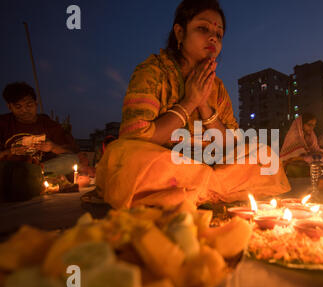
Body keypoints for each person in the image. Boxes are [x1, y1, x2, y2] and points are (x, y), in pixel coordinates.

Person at [95, 0, 290, 209]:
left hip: (208, 166)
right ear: (179, 33)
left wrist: (204, 105)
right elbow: (134, 136)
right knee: (125, 156)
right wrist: (189, 102)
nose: (213, 37)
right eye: (202, 28)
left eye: (219, 34)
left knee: (265, 155)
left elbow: (233, 145)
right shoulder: (153, 71)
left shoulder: (217, 87)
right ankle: (212, 191)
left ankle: (190, 192)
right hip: (167, 168)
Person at [0, 82, 79, 175]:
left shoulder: (49, 125)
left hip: (42, 169)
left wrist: (52, 147)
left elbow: (71, 152)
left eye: (29, 105)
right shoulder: (3, 123)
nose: (24, 110)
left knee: (73, 160)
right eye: (18, 107)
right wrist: (10, 151)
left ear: (36, 103)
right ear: (10, 107)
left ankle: (32, 174)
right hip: (9, 170)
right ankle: (27, 176)